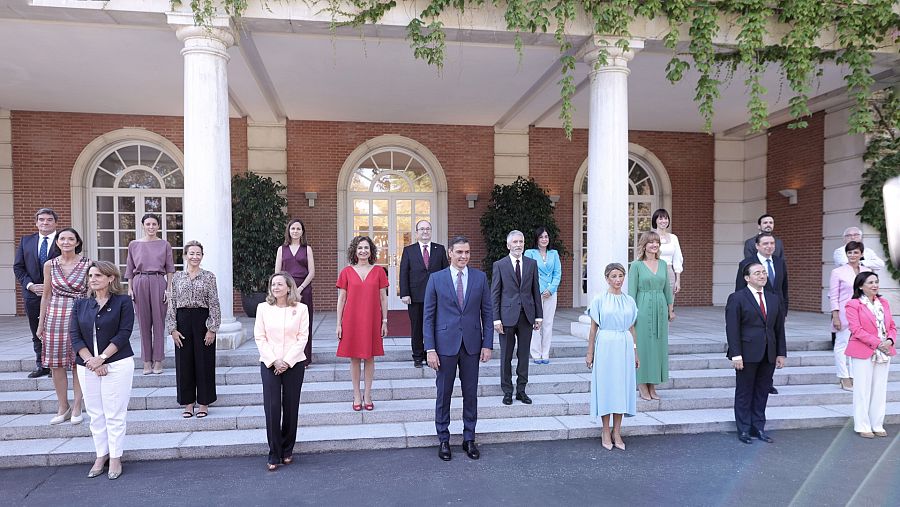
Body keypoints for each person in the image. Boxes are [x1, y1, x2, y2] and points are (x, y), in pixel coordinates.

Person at [423, 236, 493, 461]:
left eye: (467, 252)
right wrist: (430, 349)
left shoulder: (480, 278)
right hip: (444, 346)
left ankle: (469, 438)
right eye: (460, 252)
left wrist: (487, 344)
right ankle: (443, 439)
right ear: (450, 253)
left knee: (470, 394)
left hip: (472, 345)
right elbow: (428, 317)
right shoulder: (436, 279)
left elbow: (488, 313)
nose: (464, 256)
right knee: (444, 394)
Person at [71, 261, 135, 480]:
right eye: (90, 275)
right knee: (95, 414)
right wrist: (92, 362)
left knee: (115, 413)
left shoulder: (123, 302)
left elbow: (124, 333)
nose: (93, 279)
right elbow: (75, 336)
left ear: (111, 278)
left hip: (117, 364)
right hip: (87, 366)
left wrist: (102, 358)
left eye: (98, 275)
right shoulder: (80, 305)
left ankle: (116, 457)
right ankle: (101, 454)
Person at [726, 262, 787, 444]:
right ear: (747, 278)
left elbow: (779, 329)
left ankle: (758, 427)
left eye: (763, 272)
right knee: (745, 392)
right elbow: (732, 328)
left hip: (769, 353)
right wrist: (736, 354)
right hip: (746, 353)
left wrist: (780, 353)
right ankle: (744, 429)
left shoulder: (774, 298)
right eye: (757, 273)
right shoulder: (737, 298)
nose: (762, 275)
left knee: (762, 392)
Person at [254, 272, 309, 470]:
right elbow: (260, 337)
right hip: (270, 363)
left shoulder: (301, 309)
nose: (275, 287)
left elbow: (303, 338)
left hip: (293, 364)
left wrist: (286, 361)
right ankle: (274, 452)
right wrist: (274, 360)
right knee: (272, 407)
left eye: (279, 284)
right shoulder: (263, 308)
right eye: (273, 284)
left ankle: (287, 450)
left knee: (291, 406)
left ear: (288, 287)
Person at [37, 227, 90, 425]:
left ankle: (77, 406)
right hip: (55, 315)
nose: (66, 242)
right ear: (57, 243)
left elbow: (93, 292)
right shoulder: (49, 264)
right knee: (56, 363)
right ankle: (62, 406)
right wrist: (41, 323)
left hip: (80, 314)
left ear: (77, 242)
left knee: (78, 361)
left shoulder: (88, 264)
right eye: (62, 239)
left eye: (71, 239)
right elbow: (46, 294)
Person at [585, 263, 639, 451]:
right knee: (607, 387)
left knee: (621, 388)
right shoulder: (599, 299)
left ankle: (617, 431)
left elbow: (632, 328)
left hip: (624, 345)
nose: (618, 280)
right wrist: (590, 352)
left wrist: (635, 351)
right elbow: (593, 329)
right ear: (607, 278)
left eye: (621, 276)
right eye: (614, 276)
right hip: (606, 344)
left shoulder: (629, 301)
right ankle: (605, 430)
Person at [166, 240, 221, 418]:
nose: (195, 256)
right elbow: (172, 303)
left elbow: (214, 303)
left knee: (204, 362)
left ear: (202, 256)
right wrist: (172, 328)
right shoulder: (177, 277)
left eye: (198, 254)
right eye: (191, 253)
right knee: (184, 363)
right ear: (185, 256)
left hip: (202, 320)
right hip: (182, 321)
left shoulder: (209, 276)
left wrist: (212, 329)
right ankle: (188, 403)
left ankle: (204, 403)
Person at [336, 236, 388, 411]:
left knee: (370, 357)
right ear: (354, 251)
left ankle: (368, 394)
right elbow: (341, 299)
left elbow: (383, 298)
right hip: (352, 320)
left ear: (371, 251)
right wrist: (338, 324)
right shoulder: (346, 272)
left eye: (366, 248)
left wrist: (385, 321)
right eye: (360, 248)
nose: (363, 251)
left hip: (372, 319)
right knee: (355, 358)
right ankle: (356, 395)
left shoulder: (379, 271)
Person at [492, 230, 542, 406]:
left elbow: (536, 291)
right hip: (506, 318)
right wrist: (496, 319)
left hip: (527, 316)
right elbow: (495, 293)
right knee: (506, 355)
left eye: (521, 241)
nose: (518, 245)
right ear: (508, 245)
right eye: (515, 242)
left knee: (523, 355)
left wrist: (539, 316)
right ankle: (507, 390)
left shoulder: (531, 264)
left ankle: (521, 390)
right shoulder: (500, 265)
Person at [844, 272, 896, 438]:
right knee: (862, 389)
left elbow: (892, 326)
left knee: (880, 389)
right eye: (870, 282)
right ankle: (862, 425)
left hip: (884, 351)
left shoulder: (884, 303)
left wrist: (889, 340)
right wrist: (878, 343)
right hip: (862, 351)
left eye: (876, 282)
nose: (874, 285)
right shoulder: (853, 304)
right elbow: (856, 330)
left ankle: (877, 424)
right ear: (860, 286)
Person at [737, 232, 788, 395]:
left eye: (772, 243)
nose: (769, 246)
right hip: (753, 313)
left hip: (774, 310)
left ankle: (768, 382)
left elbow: (784, 288)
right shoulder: (746, 263)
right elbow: (740, 289)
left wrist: (784, 309)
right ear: (757, 246)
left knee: (772, 344)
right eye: (765, 243)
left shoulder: (780, 263)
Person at [13, 207, 60, 378]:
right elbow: (18, 267)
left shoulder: (63, 240)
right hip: (33, 294)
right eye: (41, 220)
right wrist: (30, 285)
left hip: (57, 293)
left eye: (49, 220)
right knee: (37, 331)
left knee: (58, 330)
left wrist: (52, 286)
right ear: (36, 222)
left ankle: (58, 365)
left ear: (55, 222)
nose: (45, 223)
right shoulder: (26, 241)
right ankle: (42, 365)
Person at [125, 213, 175, 375]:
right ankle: (146, 362)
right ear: (143, 225)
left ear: (158, 226)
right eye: (148, 224)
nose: (151, 227)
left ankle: (158, 360)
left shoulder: (164, 244)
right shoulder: (134, 244)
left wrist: (169, 289)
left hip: (158, 281)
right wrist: (130, 288)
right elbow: (129, 268)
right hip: (139, 282)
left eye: (154, 224)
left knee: (159, 323)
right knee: (144, 324)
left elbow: (170, 269)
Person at [629, 231, 675, 401]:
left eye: (657, 242)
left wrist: (670, 309)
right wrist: (631, 315)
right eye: (651, 242)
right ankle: (642, 383)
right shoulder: (636, 265)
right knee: (643, 346)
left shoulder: (663, 264)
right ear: (644, 245)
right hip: (642, 306)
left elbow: (667, 289)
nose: (654, 245)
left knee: (658, 347)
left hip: (660, 308)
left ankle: (653, 384)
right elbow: (631, 291)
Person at [400, 220, 449, 368]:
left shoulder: (439, 249)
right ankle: (417, 356)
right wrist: (404, 293)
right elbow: (403, 273)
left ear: (431, 231)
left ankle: (431, 354)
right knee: (417, 327)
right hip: (415, 296)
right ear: (416, 233)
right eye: (422, 229)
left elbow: (446, 272)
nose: (425, 231)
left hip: (436, 295)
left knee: (435, 325)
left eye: (428, 228)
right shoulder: (409, 250)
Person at [829, 241, 870, 391]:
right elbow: (833, 296)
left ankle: (854, 376)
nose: (852, 255)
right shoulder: (838, 272)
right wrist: (835, 315)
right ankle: (843, 377)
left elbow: (871, 292)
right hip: (844, 314)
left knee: (857, 345)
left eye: (856, 252)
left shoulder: (867, 271)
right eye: (850, 252)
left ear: (861, 254)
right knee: (841, 345)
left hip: (863, 314)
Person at [274, 219, 315, 365]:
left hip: (304, 289)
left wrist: (301, 288)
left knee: (304, 324)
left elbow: (312, 272)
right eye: (293, 228)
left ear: (302, 231)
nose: (295, 231)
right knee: (286, 324)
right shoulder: (281, 249)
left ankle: (305, 359)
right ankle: (287, 357)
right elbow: (277, 272)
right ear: (289, 231)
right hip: (285, 290)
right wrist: (282, 289)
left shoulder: (307, 249)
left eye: (298, 229)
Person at [524, 226, 562, 364]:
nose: (544, 239)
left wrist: (551, 289)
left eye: (546, 236)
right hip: (535, 292)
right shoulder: (530, 253)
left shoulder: (554, 253)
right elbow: (527, 273)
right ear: (537, 239)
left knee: (548, 323)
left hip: (550, 293)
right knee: (535, 323)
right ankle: (536, 353)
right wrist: (539, 289)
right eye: (541, 237)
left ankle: (545, 353)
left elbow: (557, 273)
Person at [651, 209, 684, 298]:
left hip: (669, 272)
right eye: (660, 219)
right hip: (653, 271)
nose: (664, 221)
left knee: (669, 302)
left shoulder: (673, 238)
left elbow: (678, 258)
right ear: (655, 220)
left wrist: (678, 280)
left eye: (666, 218)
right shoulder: (650, 237)